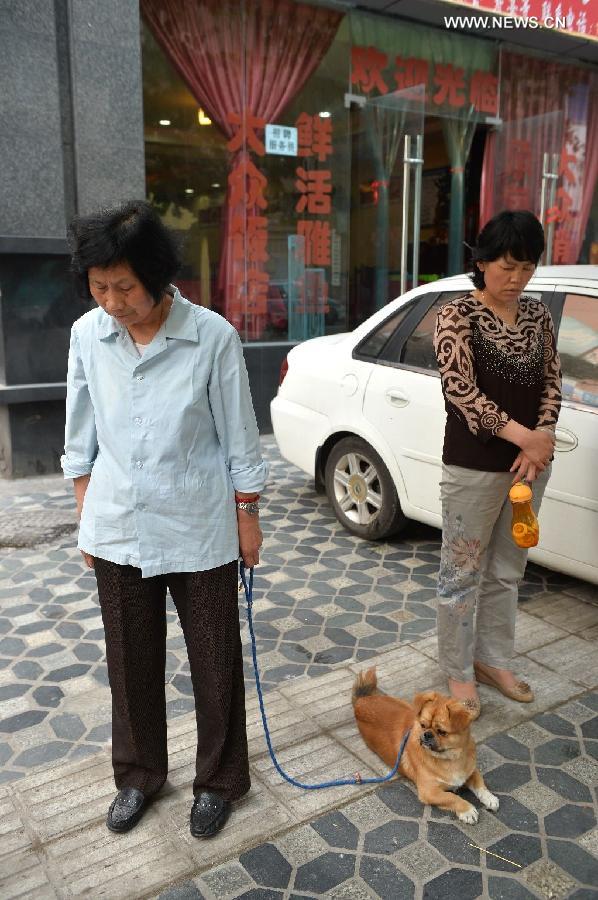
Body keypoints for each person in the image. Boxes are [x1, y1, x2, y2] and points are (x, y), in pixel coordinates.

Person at [61, 200, 268, 836]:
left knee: (214, 658)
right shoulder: (86, 336)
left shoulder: (212, 336)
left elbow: (240, 436)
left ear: (157, 275)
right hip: (118, 523)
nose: (113, 302)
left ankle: (222, 780)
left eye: (125, 286)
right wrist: (86, 515)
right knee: (129, 661)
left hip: (198, 525)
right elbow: (80, 437)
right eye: (99, 287)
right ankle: (140, 775)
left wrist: (248, 514)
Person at [433, 210, 562, 720]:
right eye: (507, 266)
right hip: (473, 467)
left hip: (529, 469)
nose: (517, 279)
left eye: (527, 268)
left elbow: (553, 378)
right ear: (482, 262)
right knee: (461, 573)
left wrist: (544, 435)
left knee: (508, 571)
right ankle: (457, 669)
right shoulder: (456, 314)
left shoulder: (539, 316)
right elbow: (462, 392)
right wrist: (527, 438)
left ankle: (493, 660)